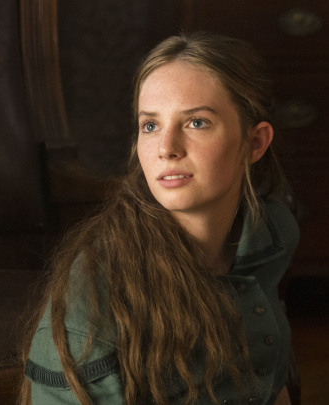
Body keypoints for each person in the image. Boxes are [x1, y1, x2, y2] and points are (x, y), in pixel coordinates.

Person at [19, 32, 299, 405]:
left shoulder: (272, 232)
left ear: (255, 143)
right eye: (150, 126)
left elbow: (270, 377)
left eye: (196, 122)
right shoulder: (97, 289)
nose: (166, 149)